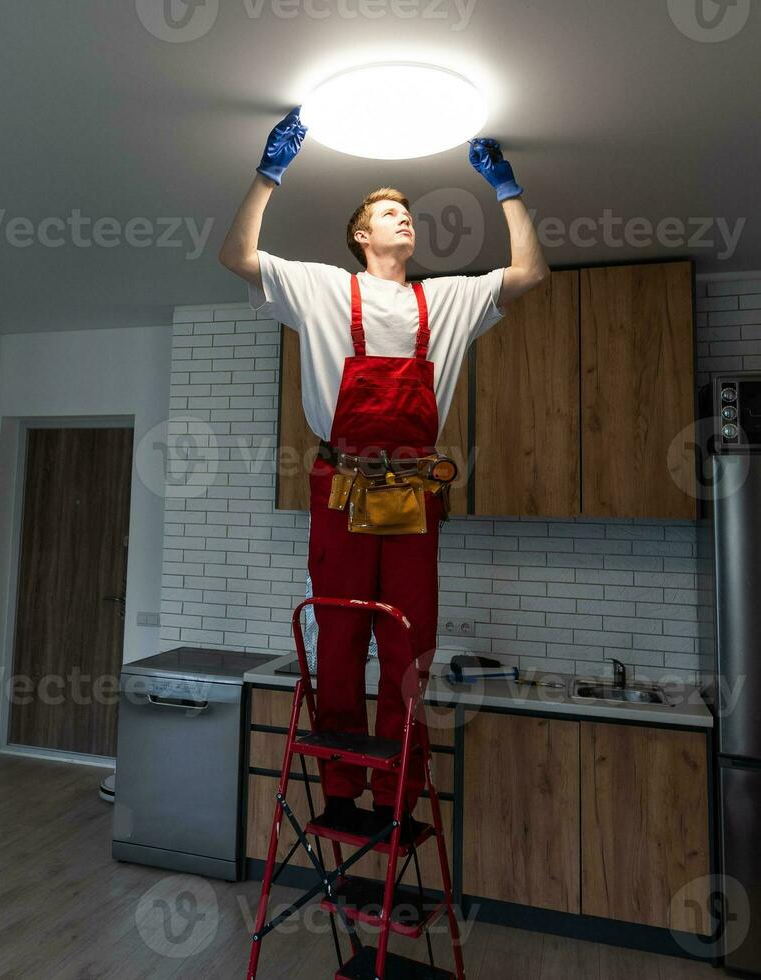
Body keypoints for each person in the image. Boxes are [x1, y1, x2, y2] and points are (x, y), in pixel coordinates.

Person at [218, 107, 549, 831]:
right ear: (361, 237)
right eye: (390, 214)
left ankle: (397, 796)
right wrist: (268, 173)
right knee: (338, 641)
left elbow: (529, 271)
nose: (407, 221)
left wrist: (507, 188)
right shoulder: (322, 288)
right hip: (340, 486)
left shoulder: (450, 298)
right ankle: (339, 789)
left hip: (413, 494)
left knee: (408, 645)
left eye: (409, 215)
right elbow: (238, 257)